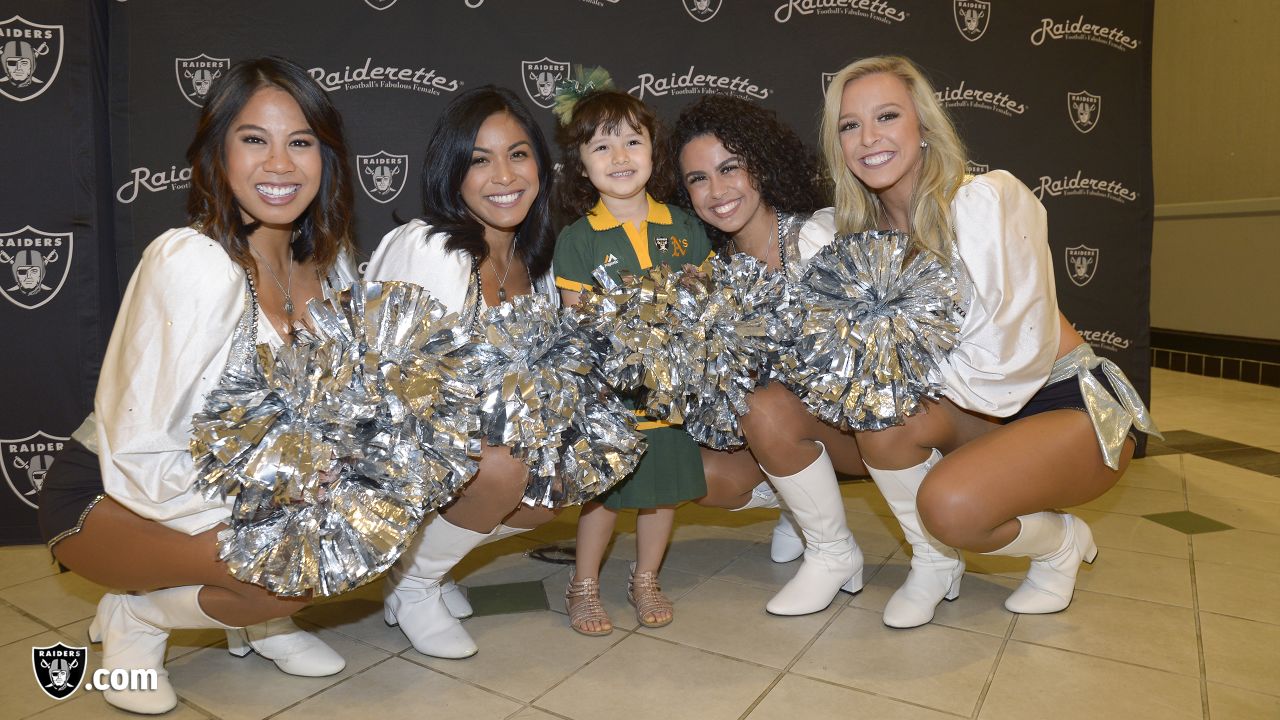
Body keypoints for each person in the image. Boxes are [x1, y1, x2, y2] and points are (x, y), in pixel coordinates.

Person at [36, 57, 356, 714]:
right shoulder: (195, 263)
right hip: (114, 492)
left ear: (325, 156)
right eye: (253, 139)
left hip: (231, 488)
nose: (280, 164)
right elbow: (142, 449)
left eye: (300, 141)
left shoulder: (330, 264)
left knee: (352, 527)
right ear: (217, 153)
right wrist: (273, 501)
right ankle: (138, 618)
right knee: (292, 556)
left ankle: (258, 618)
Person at [820, 55, 1158, 628]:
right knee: (878, 418)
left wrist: (884, 360)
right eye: (850, 125)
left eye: (887, 116)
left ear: (923, 127)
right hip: (980, 407)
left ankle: (1058, 545)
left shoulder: (980, 202)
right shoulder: (855, 236)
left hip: (1067, 403)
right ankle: (934, 560)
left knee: (950, 505)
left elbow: (1001, 364)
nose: (868, 137)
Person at [364, 85, 561, 659]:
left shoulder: (533, 260)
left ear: (541, 168)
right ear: (453, 174)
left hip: (469, 439)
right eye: (480, 159)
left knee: (563, 477)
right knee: (502, 468)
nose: (504, 175)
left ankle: (429, 566)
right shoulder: (430, 246)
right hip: (392, 438)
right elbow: (389, 387)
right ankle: (413, 584)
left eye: (518, 154)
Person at [666, 94, 872, 617]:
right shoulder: (710, 270)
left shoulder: (820, 235)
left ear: (761, 162)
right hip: (778, 434)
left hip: (864, 429)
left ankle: (833, 551)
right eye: (698, 179)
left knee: (765, 405)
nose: (717, 191)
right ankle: (802, 507)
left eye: (729, 168)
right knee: (685, 470)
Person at [552, 88, 712, 635]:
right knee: (603, 497)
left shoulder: (685, 228)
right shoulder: (577, 239)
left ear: (653, 151)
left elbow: (707, 302)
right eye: (601, 147)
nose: (619, 157)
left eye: (632, 142)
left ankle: (646, 579)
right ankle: (584, 586)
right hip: (609, 400)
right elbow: (577, 325)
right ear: (580, 163)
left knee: (662, 493)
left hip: (670, 392)